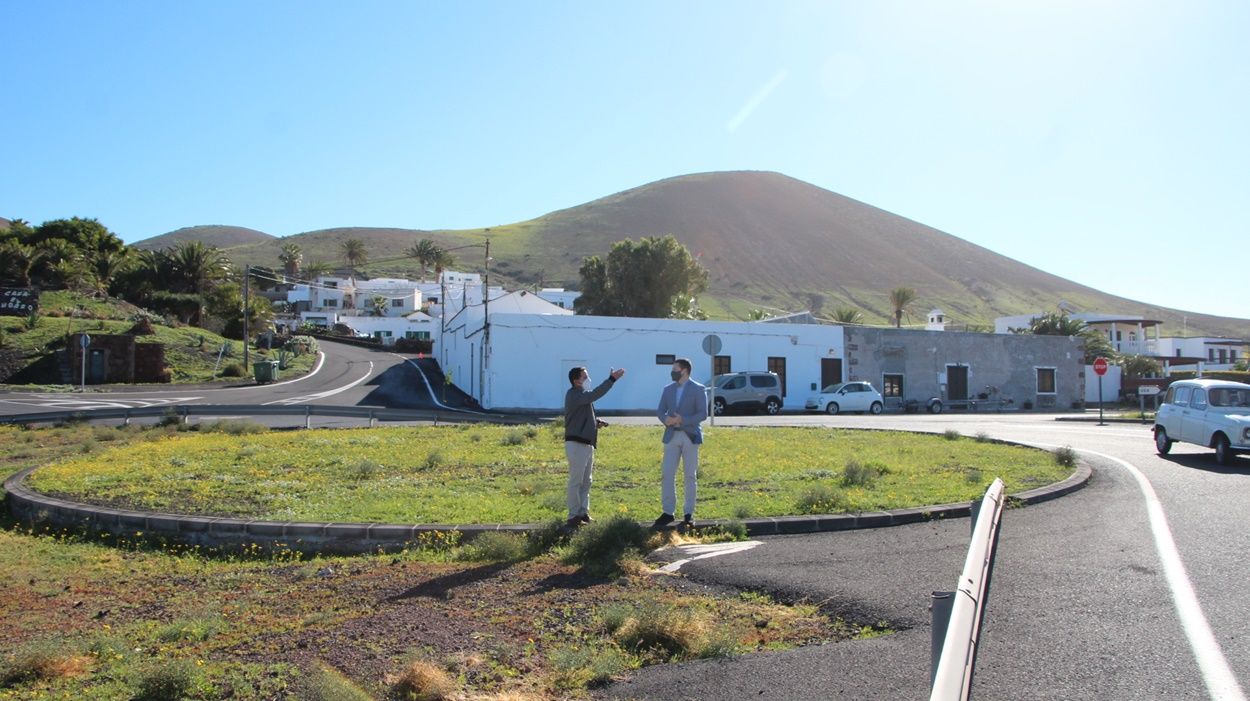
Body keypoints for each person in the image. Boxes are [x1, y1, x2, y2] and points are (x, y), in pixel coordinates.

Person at [564, 365, 626, 528]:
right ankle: (573, 516)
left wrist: (595, 423)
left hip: (587, 443)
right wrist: (611, 380)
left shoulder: (582, 396)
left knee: (586, 481)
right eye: (585, 377)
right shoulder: (574, 394)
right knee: (576, 481)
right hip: (576, 443)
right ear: (576, 381)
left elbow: (581, 416)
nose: (588, 379)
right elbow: (595, 394)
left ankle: (583, 513)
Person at [654, 357, 707, 528]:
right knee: (667, 473)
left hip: (690, 436)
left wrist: (683, 420)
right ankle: (668, 512)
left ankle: (688, 513)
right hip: (671, 436)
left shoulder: (698, 389)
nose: (672, 372)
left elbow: (703, 414)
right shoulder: (667, 389)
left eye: (675, 369)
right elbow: (660, 410)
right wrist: (666, 419)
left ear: (684, 371)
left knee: (690, 476)